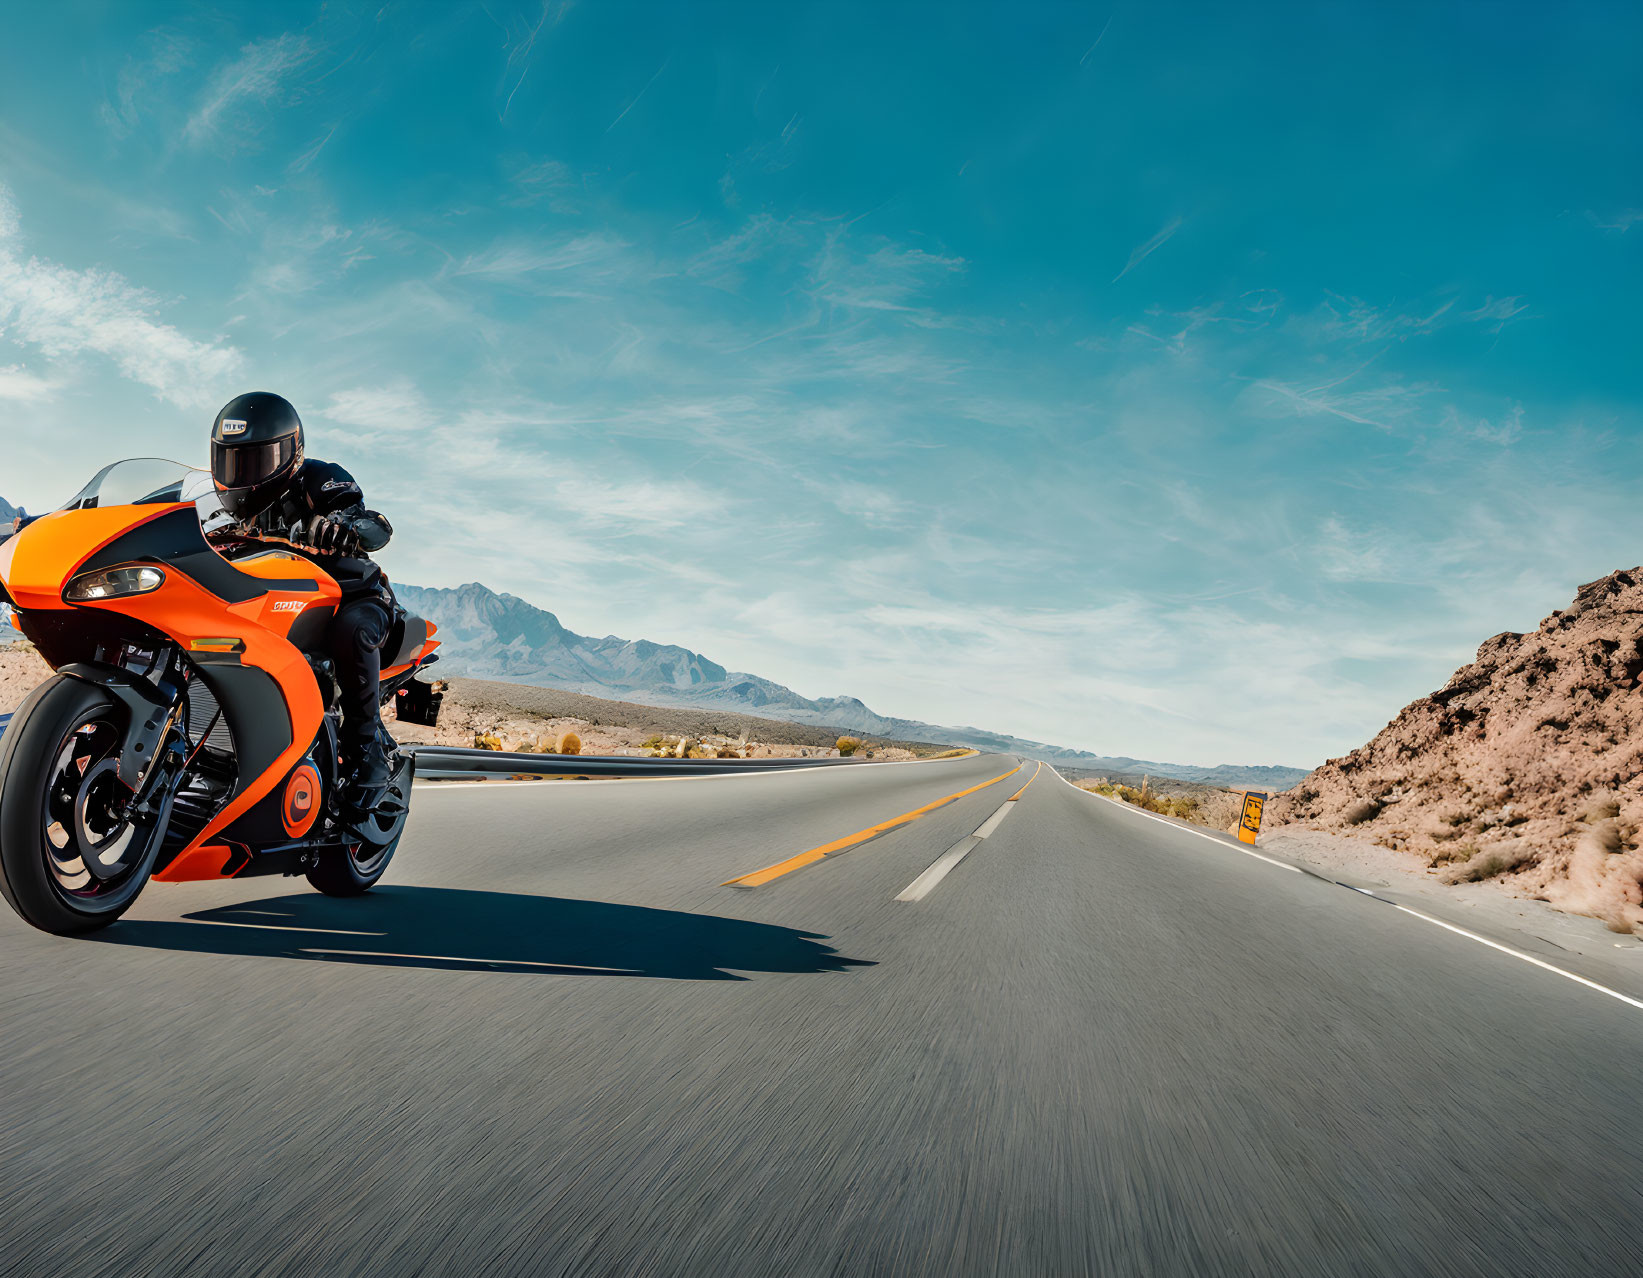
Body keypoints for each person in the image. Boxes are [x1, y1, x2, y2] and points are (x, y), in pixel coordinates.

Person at [206, 391, 398, 813]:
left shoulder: (320, 478)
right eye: (232, 463)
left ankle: (367, 751)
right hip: (268, 598)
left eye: (254, 462)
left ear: (289, 455)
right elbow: (153, 510)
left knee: (353, 629)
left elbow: (372, 525)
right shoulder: (214, 508)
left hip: (348, 595)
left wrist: (342, 525)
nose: (242, 475)